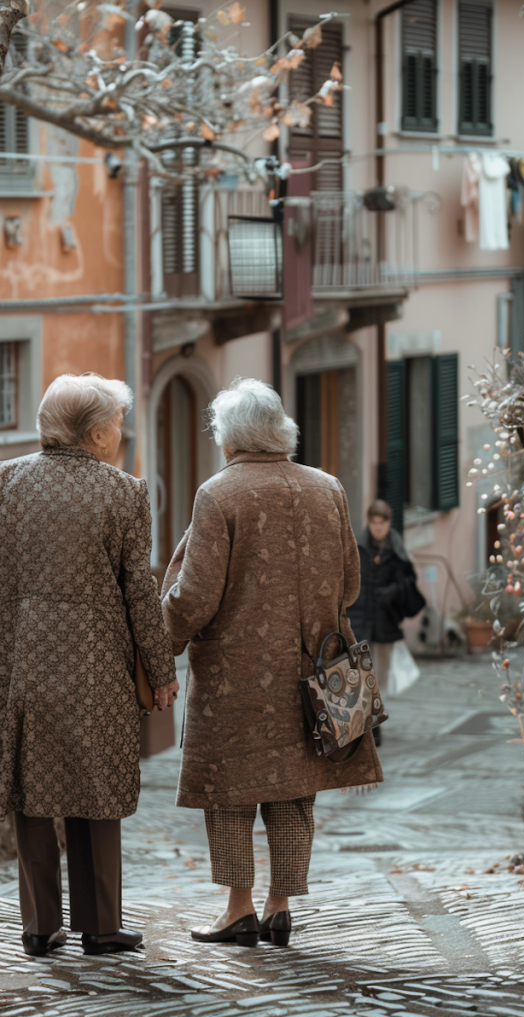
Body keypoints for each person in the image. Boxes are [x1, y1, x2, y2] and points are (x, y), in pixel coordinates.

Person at [0, 373, 178, 958]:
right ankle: (101, 926)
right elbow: (140, 593)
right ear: (97, 434)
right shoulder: (124, 492)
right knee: (96, 789)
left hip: (20, 663)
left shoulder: (6, 479)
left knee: (30, 791)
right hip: (96, 669)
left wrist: (23, 599)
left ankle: (39, 927)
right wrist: (161, 671)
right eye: (119, 424)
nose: (122, 434)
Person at [161, 378, 382, 948]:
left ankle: (238, 909)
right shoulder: (328, 488)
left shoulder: (219, 494)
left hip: (234, 677)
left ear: (229, 437)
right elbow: (350, 584)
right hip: (314, 670)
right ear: (281, 430)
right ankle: (279, 906)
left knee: (229, 791)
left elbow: (195, 596)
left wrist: (162, 642)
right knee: (294, 788)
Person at [346, 499, 426, 739]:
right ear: (369, 523)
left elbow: (410, 584)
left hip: (385, 622)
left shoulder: (397, 550)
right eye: (374, 522)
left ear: (388, 523)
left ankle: (373, 723)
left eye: (382, 522)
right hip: (360, 620)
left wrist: (394, 591)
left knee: (379, 676)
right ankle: (369, 725)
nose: (378, 527)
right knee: (361, 673)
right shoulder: (357, 547)